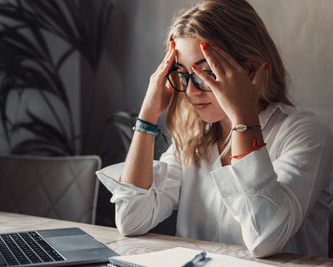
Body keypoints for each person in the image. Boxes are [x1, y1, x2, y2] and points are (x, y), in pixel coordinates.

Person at [96, 0, 333, 258]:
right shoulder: (192, 138)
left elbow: (264, 237)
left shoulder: (305, 133)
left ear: (251, 70)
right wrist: (147, 117)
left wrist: (243, 116)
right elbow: (131, 219)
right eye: (182, 74)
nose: (190, 91)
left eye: (204, 74)